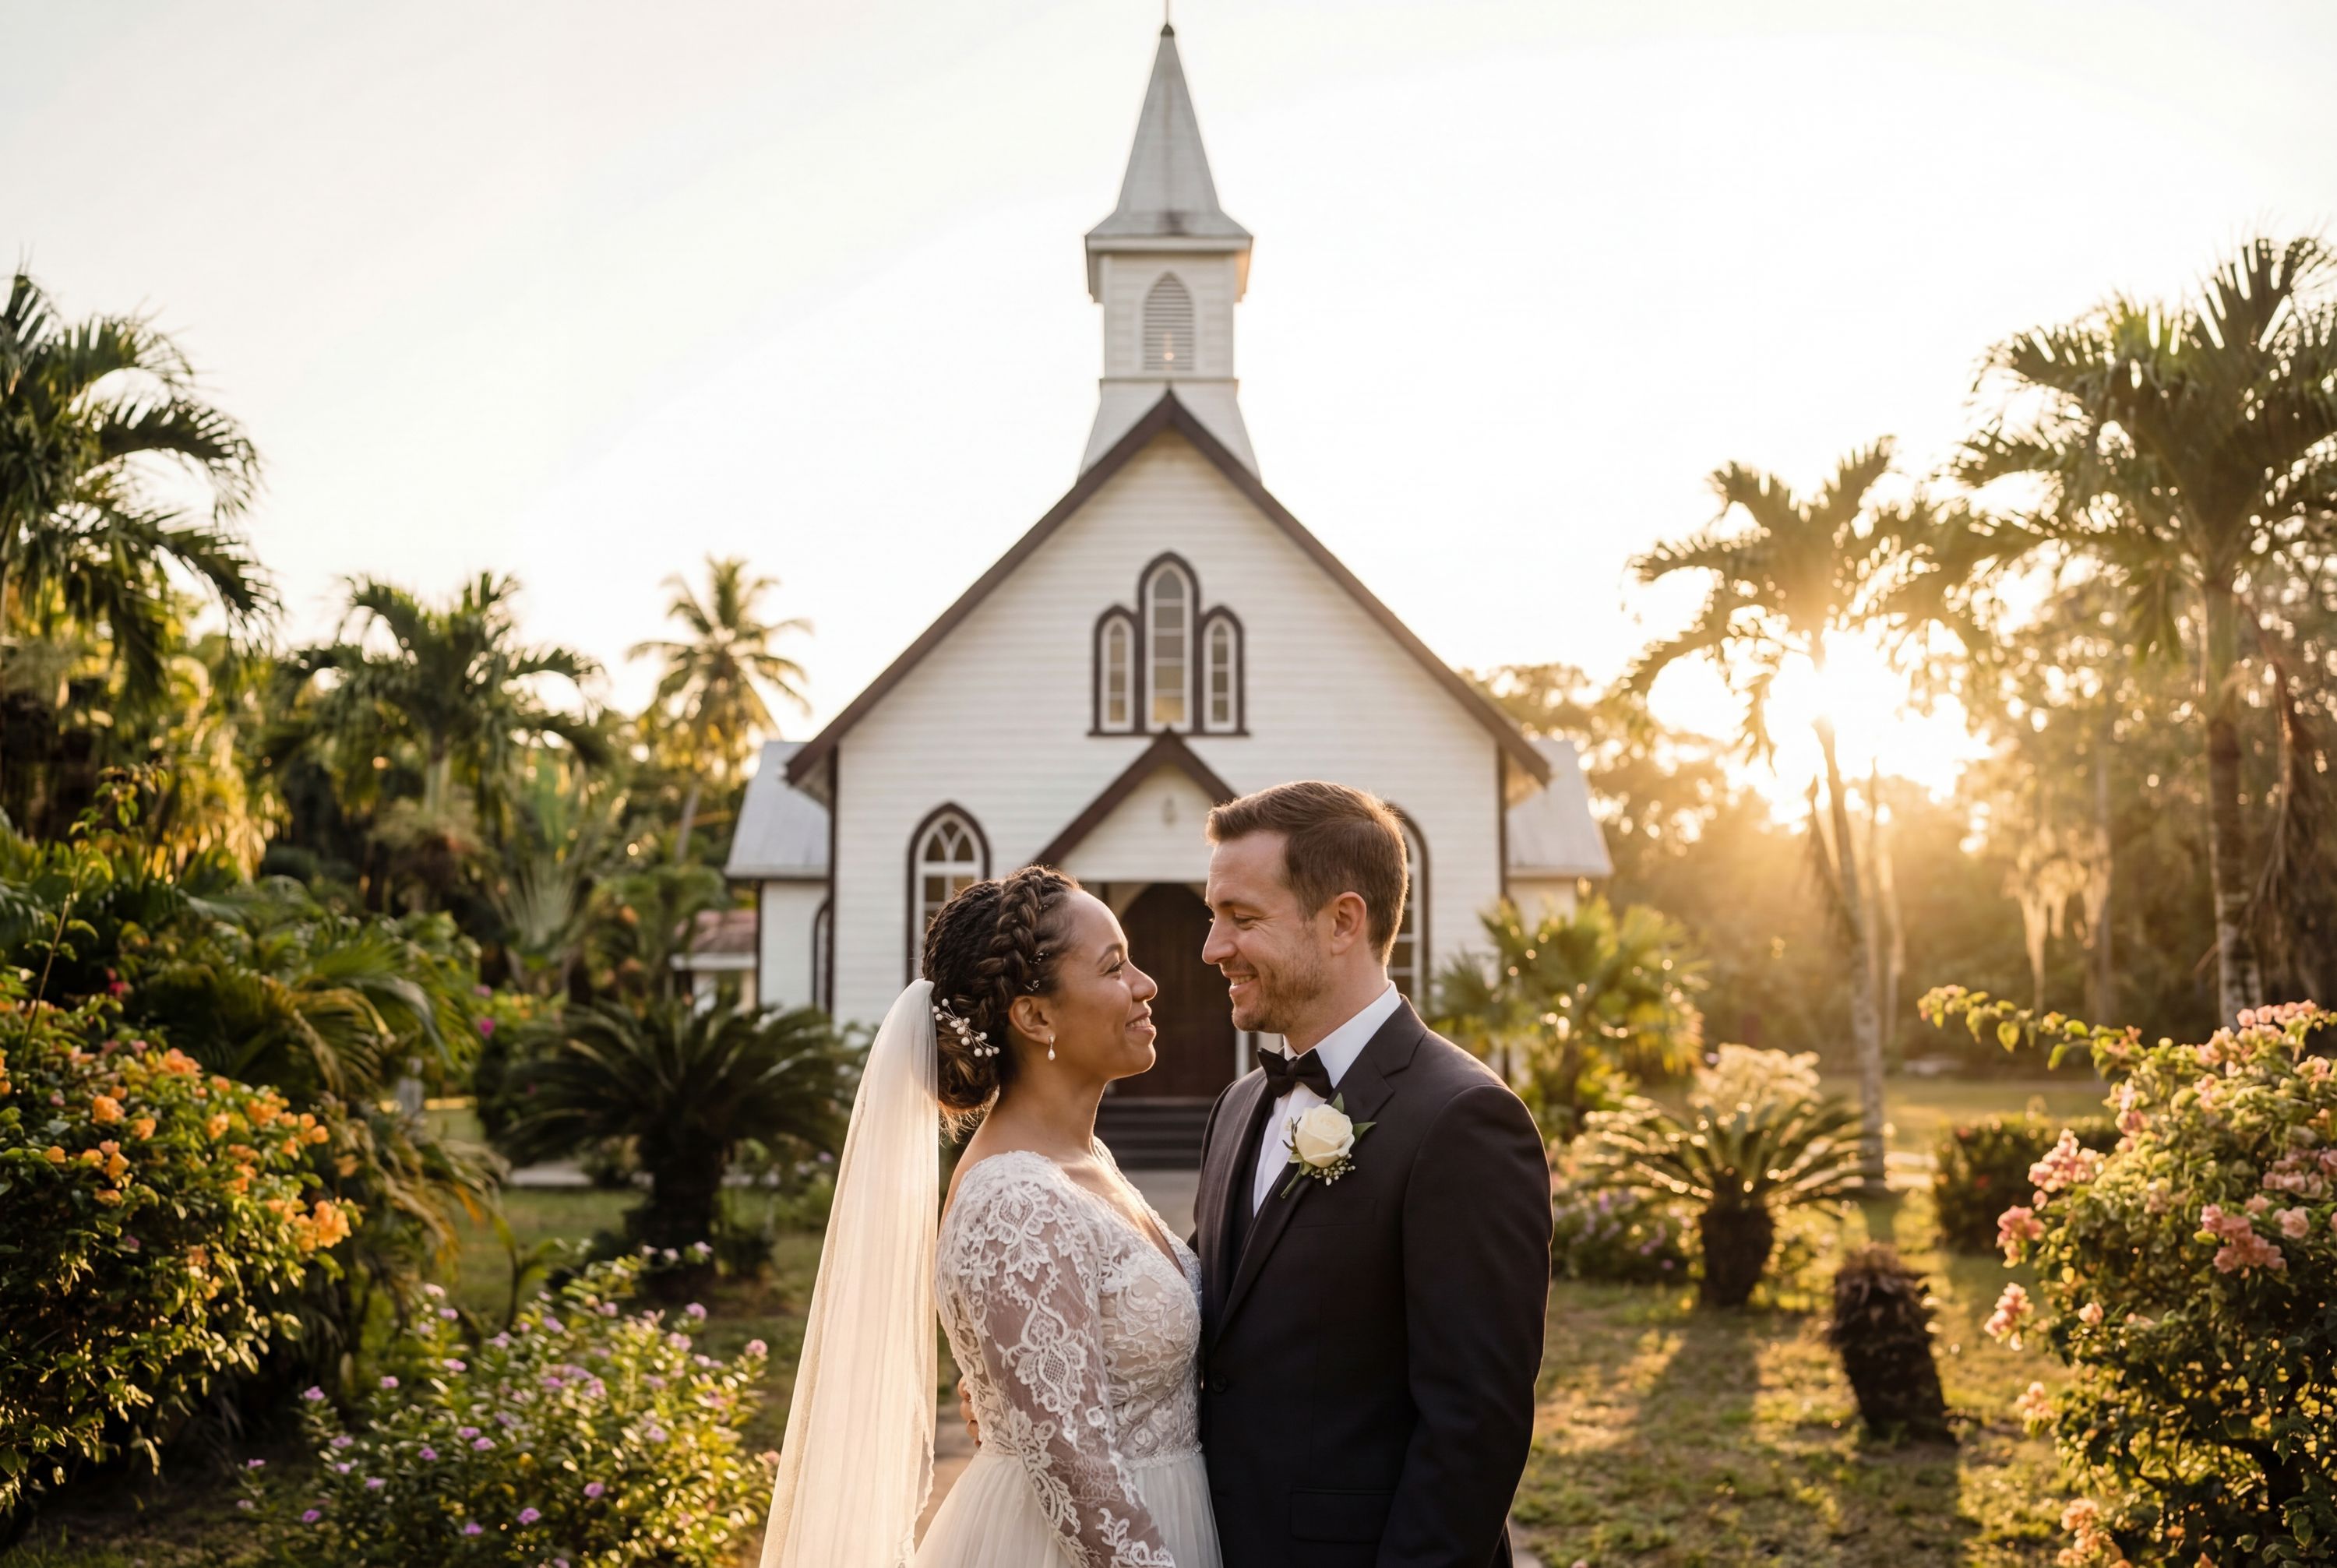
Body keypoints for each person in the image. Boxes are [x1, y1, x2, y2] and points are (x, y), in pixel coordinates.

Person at [761, 865, 1221, 1568]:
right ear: (1035, 1017)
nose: (1146, 984)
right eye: (1115, 966)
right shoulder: (1013, 1200)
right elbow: (1082, 1480)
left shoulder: (1085, 1159)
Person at [1193, 781, 1553, 1568]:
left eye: (1242, 919)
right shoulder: (1237, 1106)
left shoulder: (1464, 1121)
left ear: (1342, 923)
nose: (1213, 949)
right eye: (1213, 917)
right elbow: (1208, 1323)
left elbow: (1475, 1429)